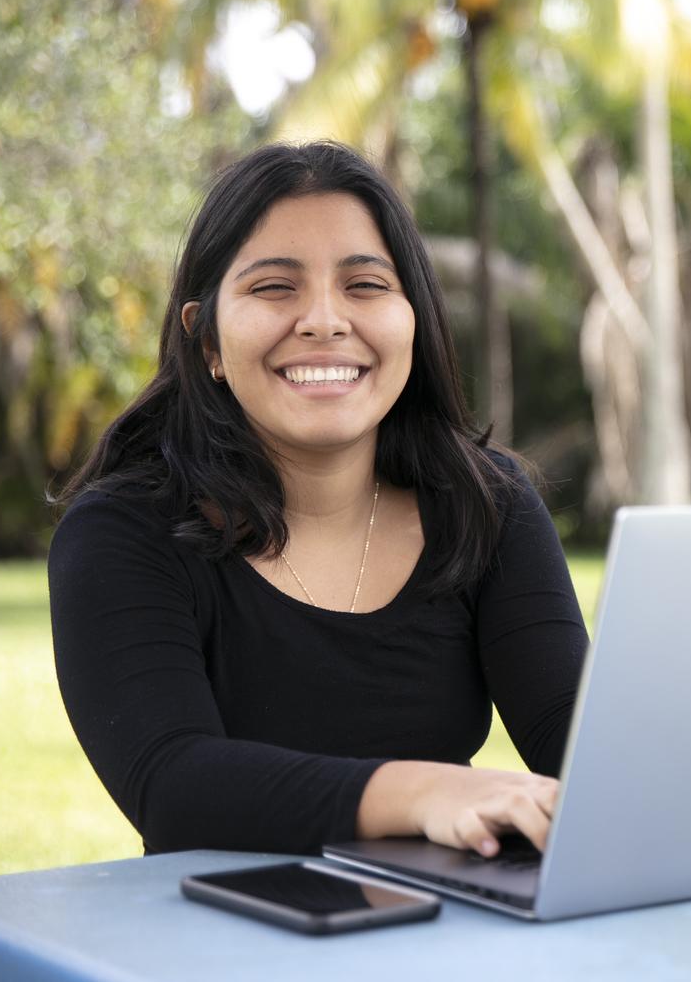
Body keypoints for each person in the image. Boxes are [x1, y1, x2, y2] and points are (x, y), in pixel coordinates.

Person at [48, 141, 588, 861]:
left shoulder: (485, 502)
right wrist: (426, 793)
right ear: (204, 338)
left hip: (450, 939)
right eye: (275, 288)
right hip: (217, 949)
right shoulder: (121, 533)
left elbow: (577, 739)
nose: (325, 320)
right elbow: (174, 784)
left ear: (413, 318)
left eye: (365, 284)